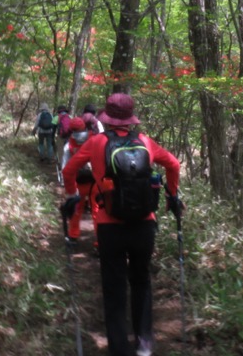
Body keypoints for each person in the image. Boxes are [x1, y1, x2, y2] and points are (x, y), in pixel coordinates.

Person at [61, 93, 182, 356]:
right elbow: (173, 165)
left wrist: (72, 196)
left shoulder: (96, 142)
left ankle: (119, 348)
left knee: (114, 287)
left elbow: (69, 170)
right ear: (130, 118)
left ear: (107, 117)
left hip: (109, 225)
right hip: (144, 225)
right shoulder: (145, 142)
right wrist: (172, 195)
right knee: (141, 281)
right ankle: (144, 343)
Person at [61, 117, 99, 248]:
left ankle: (73, 236)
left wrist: (68, 188)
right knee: (97, 211)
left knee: (76, 209)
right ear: (85, 127)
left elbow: (65, 167)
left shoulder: (69, 145)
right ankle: (100, 241)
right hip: (95, 182)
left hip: (78, 183)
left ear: (71, 130)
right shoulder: (95, 140)